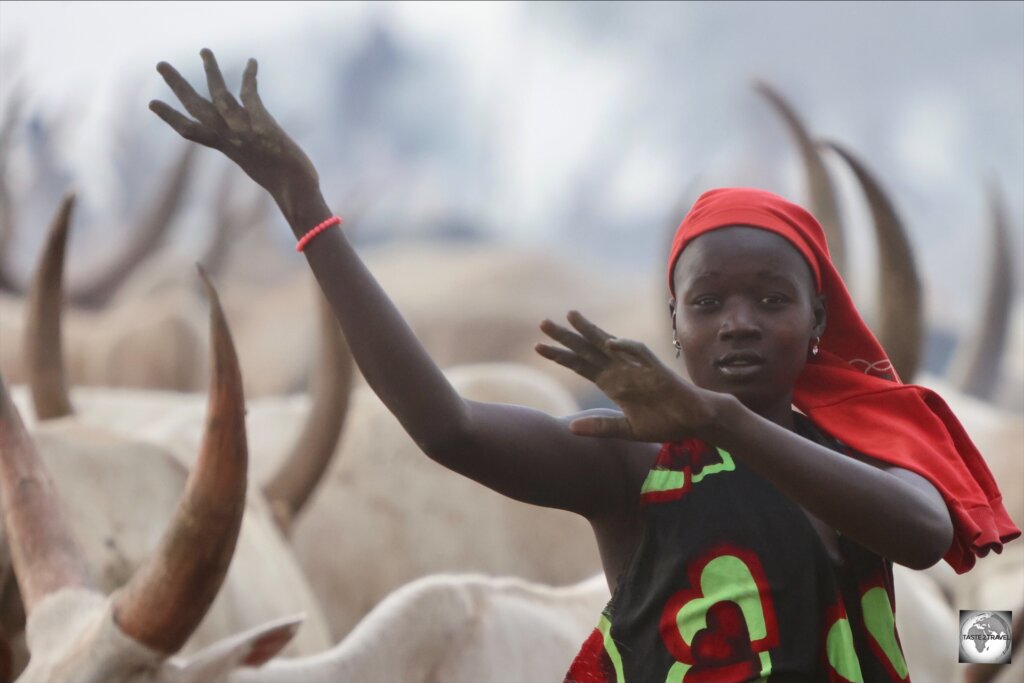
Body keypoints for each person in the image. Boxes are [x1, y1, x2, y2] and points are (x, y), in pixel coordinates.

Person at [151, 49, 1019, 682]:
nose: (740, 324)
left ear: (819, 317)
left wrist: (724, 422)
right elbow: (445, 425)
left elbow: (924, 532)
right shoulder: (632, 460)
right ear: (676, 325)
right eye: (710, 303)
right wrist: (307, 209)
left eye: (772, 299)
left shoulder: (858, 452)